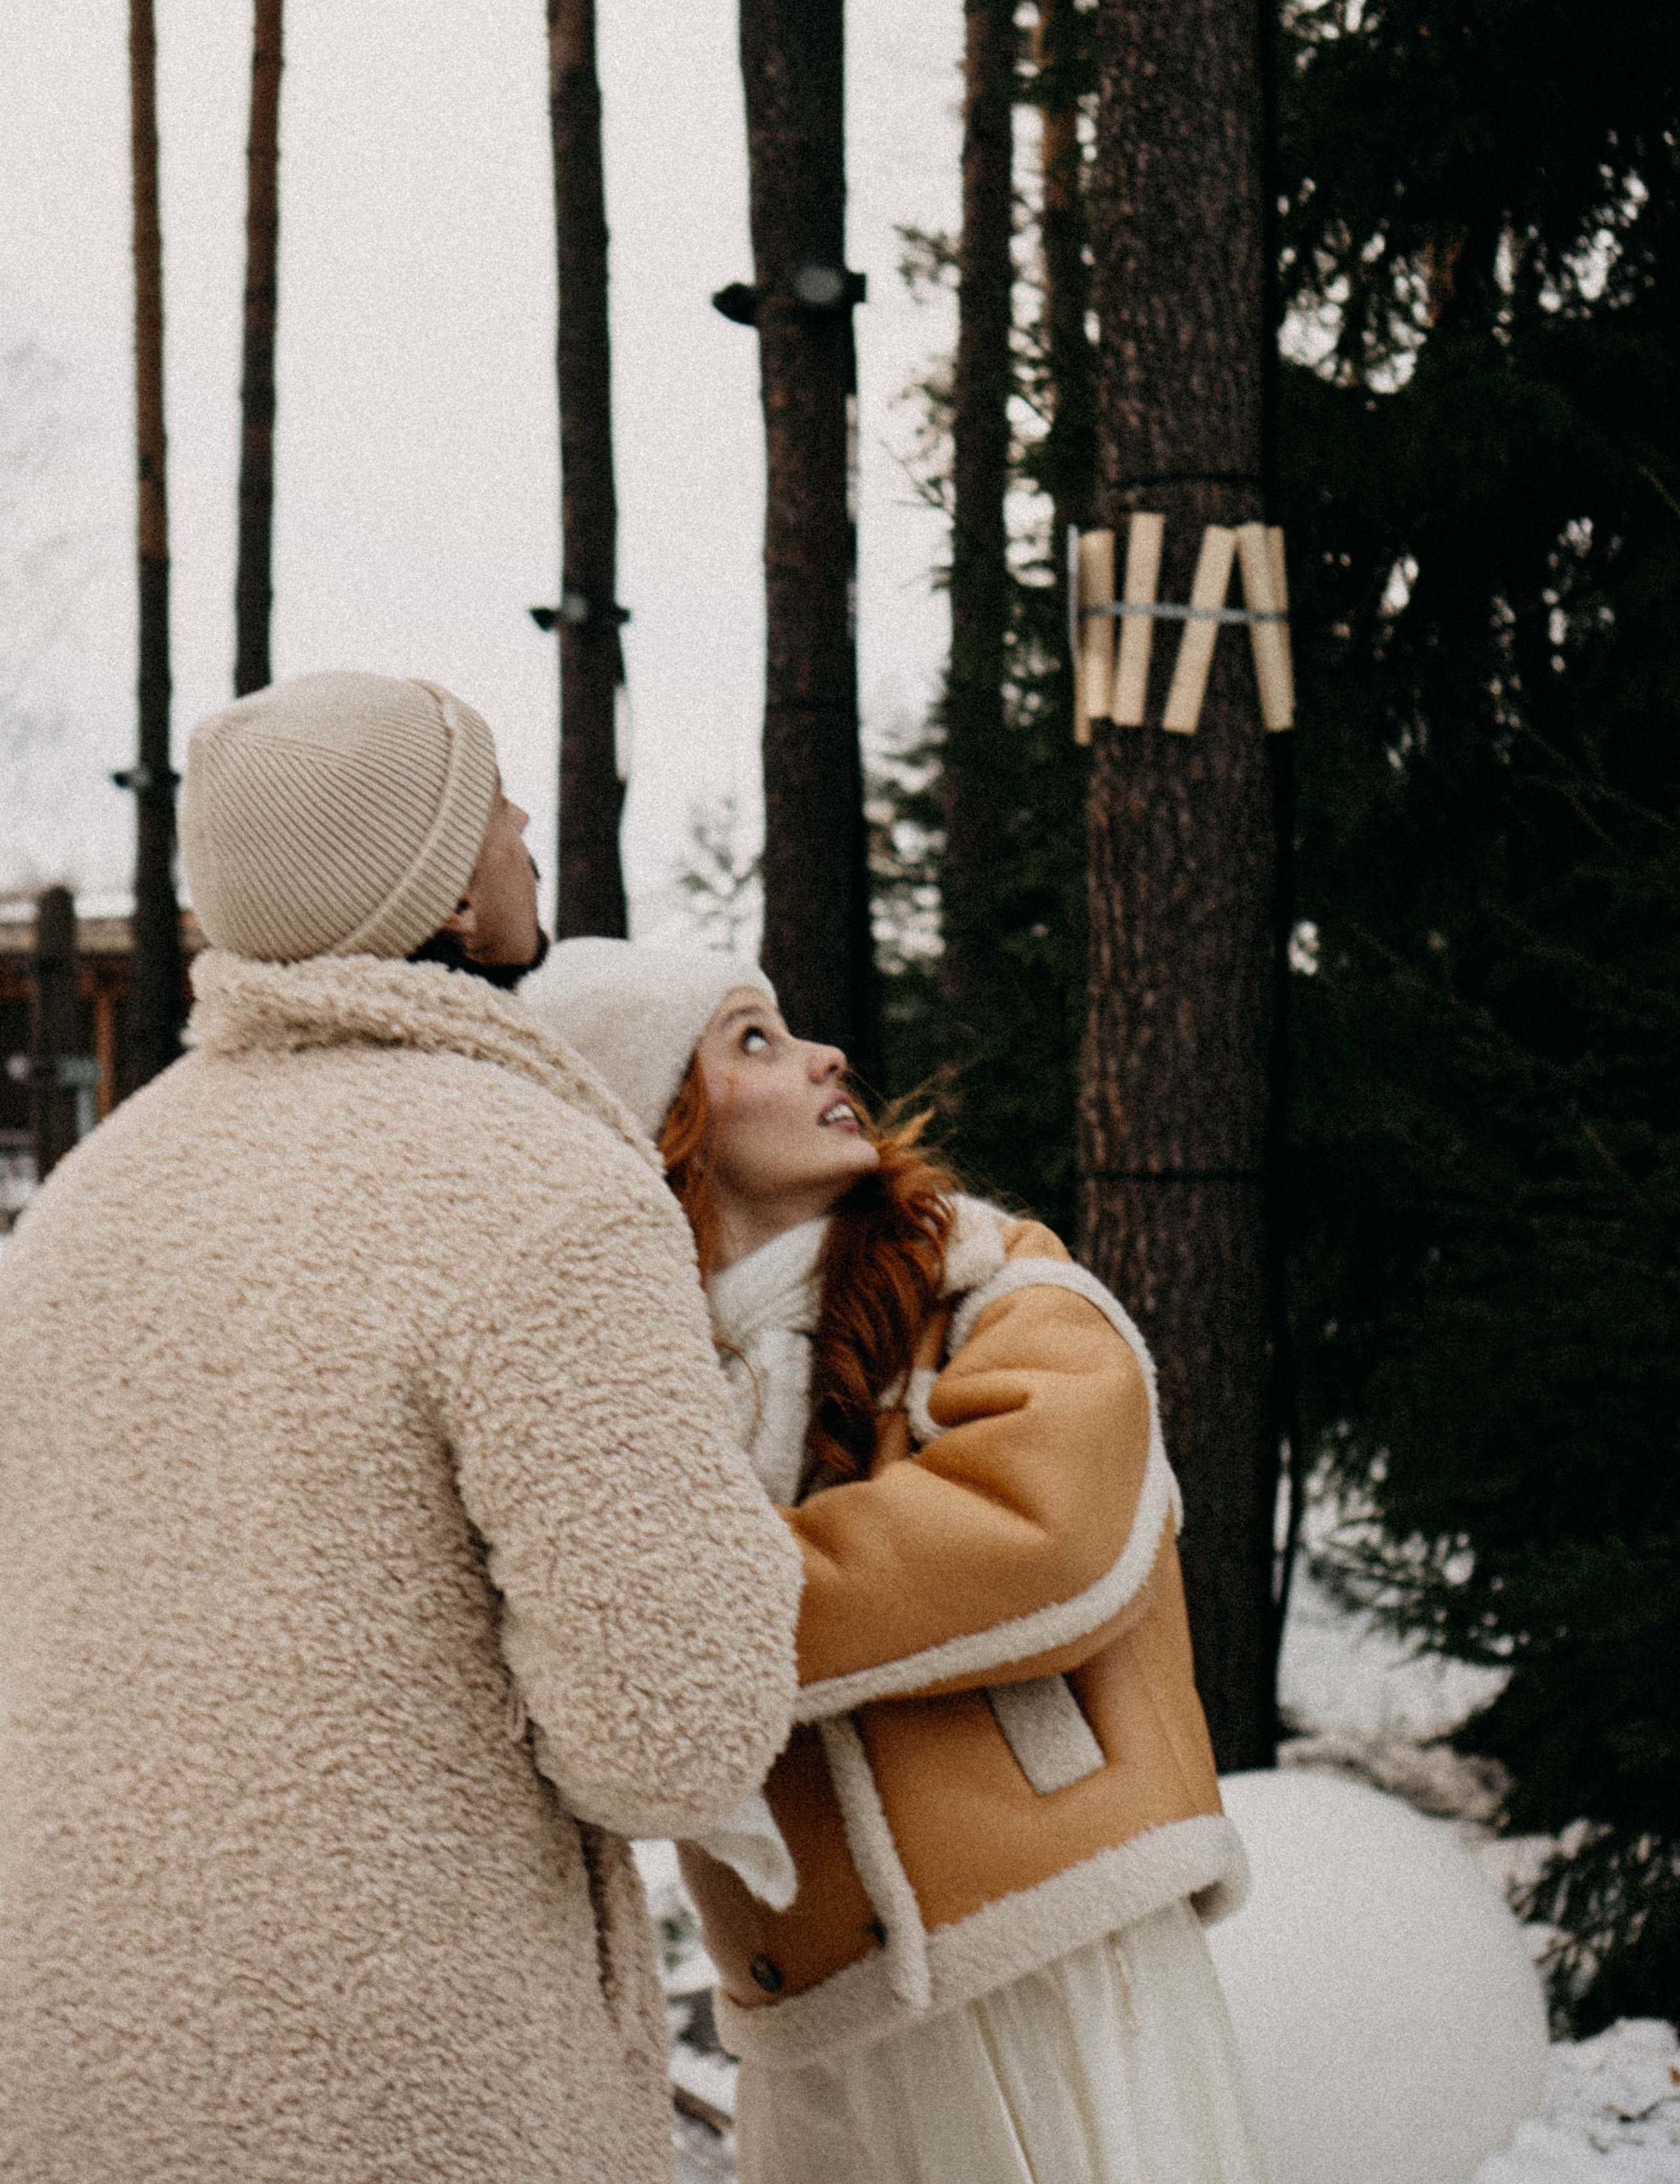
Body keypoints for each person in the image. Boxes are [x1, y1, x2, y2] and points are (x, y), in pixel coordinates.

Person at [0, 672, 802, 2184]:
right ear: (433, 888)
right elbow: (673, 1728)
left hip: (70, 2056)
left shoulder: (87, 1204)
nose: (517, 826)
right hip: (404, 2079)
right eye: (486, 800)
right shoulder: (542, 1188)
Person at [525, 936, 1267, 2184]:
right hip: (822, 2010)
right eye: (753, 1039)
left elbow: (1040, 1525)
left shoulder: (987, 1278)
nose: (828, 1054)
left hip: (1058, 1964)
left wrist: (694, 1618)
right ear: (668, 1126)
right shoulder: (636, 1404)